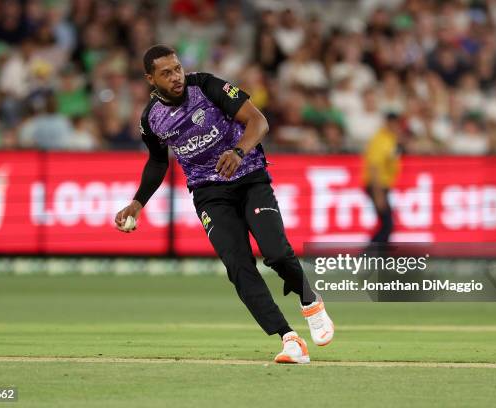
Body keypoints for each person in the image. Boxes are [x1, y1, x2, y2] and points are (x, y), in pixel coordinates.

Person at [114, 45, 334, 364]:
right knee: (238, 266)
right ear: (151, 79)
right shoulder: (152, 119)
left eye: (177, 68)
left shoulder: (205, 85)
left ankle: (310, 300)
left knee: (275, 252)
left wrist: (239, 152)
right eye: (166, 73)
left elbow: (258, 122)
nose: (176, 77)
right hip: (209, 194)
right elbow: (157, 163)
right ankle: (289, 339)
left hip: (249, 178)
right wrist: (137, 203)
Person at [362, 113, 402, 244]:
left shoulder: (390, 139)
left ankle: (375, 256)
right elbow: (374, 167)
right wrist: (378, 194)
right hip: (377, 186)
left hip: (382, 186)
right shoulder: (380, 140)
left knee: (387, 224)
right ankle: (369, 255)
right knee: (387, 225)